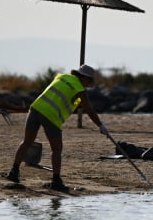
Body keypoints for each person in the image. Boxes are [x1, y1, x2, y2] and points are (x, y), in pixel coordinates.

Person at [6, 64, 109, 192]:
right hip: (51, 116)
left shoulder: (61, 77)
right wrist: (100, 125)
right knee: (57, 149)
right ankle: (56, 180)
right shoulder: (80, 89)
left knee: (27, 142)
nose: (89, 83)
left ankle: (14, 170)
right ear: (84, 78)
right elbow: (89, 110)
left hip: (36, 108)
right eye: (89, 80)